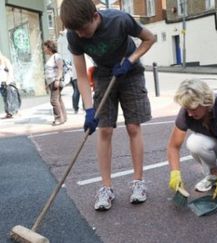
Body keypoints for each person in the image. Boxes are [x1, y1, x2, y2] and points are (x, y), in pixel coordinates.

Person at [60, 0, 155, 211]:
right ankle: (106, 188)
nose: (82, 35)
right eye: (77, 31)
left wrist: (131, 60)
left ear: (95, 16)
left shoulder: (119, 20)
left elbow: (150, 38)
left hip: (130, 73)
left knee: (133, 126)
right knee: (104, 129)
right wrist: (88, 109)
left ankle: (138, 182)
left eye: (84, 29)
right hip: (103, 75)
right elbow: (82, 75)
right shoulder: (74, 34)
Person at [43, 40, 68, 125]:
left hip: (55, 81)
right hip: (51, 82)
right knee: (58, 99)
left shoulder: (56, 56)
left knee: (54, 100)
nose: (44, 49)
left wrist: (57, 79)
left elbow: (60, 68)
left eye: (45, 47)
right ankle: (63, 117)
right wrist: (47, 84)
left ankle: (59, 118)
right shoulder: (51, 57)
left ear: (49, 47)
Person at [0, 51, 18, 119]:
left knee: (9, 98)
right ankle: (8, 112)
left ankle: (11, 112)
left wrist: (8, 81)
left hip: (7, 83)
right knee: (5, 99)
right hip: (1, 84)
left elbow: (10, 71)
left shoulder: (5, 61)